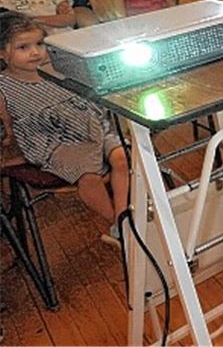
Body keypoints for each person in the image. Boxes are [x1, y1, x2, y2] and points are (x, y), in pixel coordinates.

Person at [0, 13, 130, 239]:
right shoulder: (4, 86)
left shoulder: (56, 68)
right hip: (54, 141)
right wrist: (11, 146)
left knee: (121, 158)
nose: (35, 52)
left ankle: (123, 218)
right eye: (23, 47)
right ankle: (116, 225)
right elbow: (8, 127)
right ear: (2, 53)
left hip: (90, 126)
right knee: (88, 176)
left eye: (39, 44)